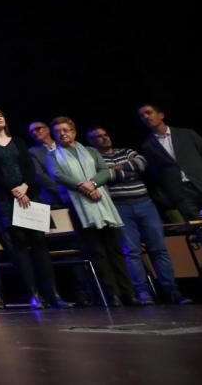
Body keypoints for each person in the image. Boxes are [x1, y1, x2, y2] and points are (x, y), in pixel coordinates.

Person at [0, 108, 69, 309]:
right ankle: (34, 294)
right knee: (19, 245)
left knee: (39, 243)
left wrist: (25, 186)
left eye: (1, 115)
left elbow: (28, 167)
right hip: (6, 199)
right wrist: (13, 190)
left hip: (30, 195)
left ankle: (53, 294)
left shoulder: (18, 141)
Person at [86, 126, 189, 305]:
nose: (103, 138)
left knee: (159, 249)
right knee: (132, 251)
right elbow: (103, 176)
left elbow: (141, 164)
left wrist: (114, 169)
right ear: (91, 142)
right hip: (120, 207)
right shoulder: (94, 158)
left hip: (144, 203)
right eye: (97, 137)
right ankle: (142, 293)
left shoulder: (126, 151)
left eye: (105, 134)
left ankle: (172, 291)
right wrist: (120, 170)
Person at [48, 117, 135, 307]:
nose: (63, 133)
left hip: (102, 202)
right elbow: (58, 175)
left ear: (74, 132)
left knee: (115, 250)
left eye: (66, 130)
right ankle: (112, 295)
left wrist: (94, 183)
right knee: (97, 252)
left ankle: (129, 293)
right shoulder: (54, 156)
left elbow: (104, 170)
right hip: (79, 206)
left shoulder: (91, 151)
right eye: (58, 131)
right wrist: (84, 187)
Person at [137, 104, 202, 220]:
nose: (145, 117)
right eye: (142, 116)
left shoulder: (186, 134)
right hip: (182, 194)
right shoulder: (147, 146)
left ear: (161, 115)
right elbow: (156, 175)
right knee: (200, 228)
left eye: (149, 113)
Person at [27, 123, 68, 208]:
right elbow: (40, 176)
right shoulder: (32, 152)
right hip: (55, 199)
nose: (34, 132)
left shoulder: (64, 145)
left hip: (79, 193)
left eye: (38, 129)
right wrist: (64, 192)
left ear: (47, 129)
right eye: (31, 132)